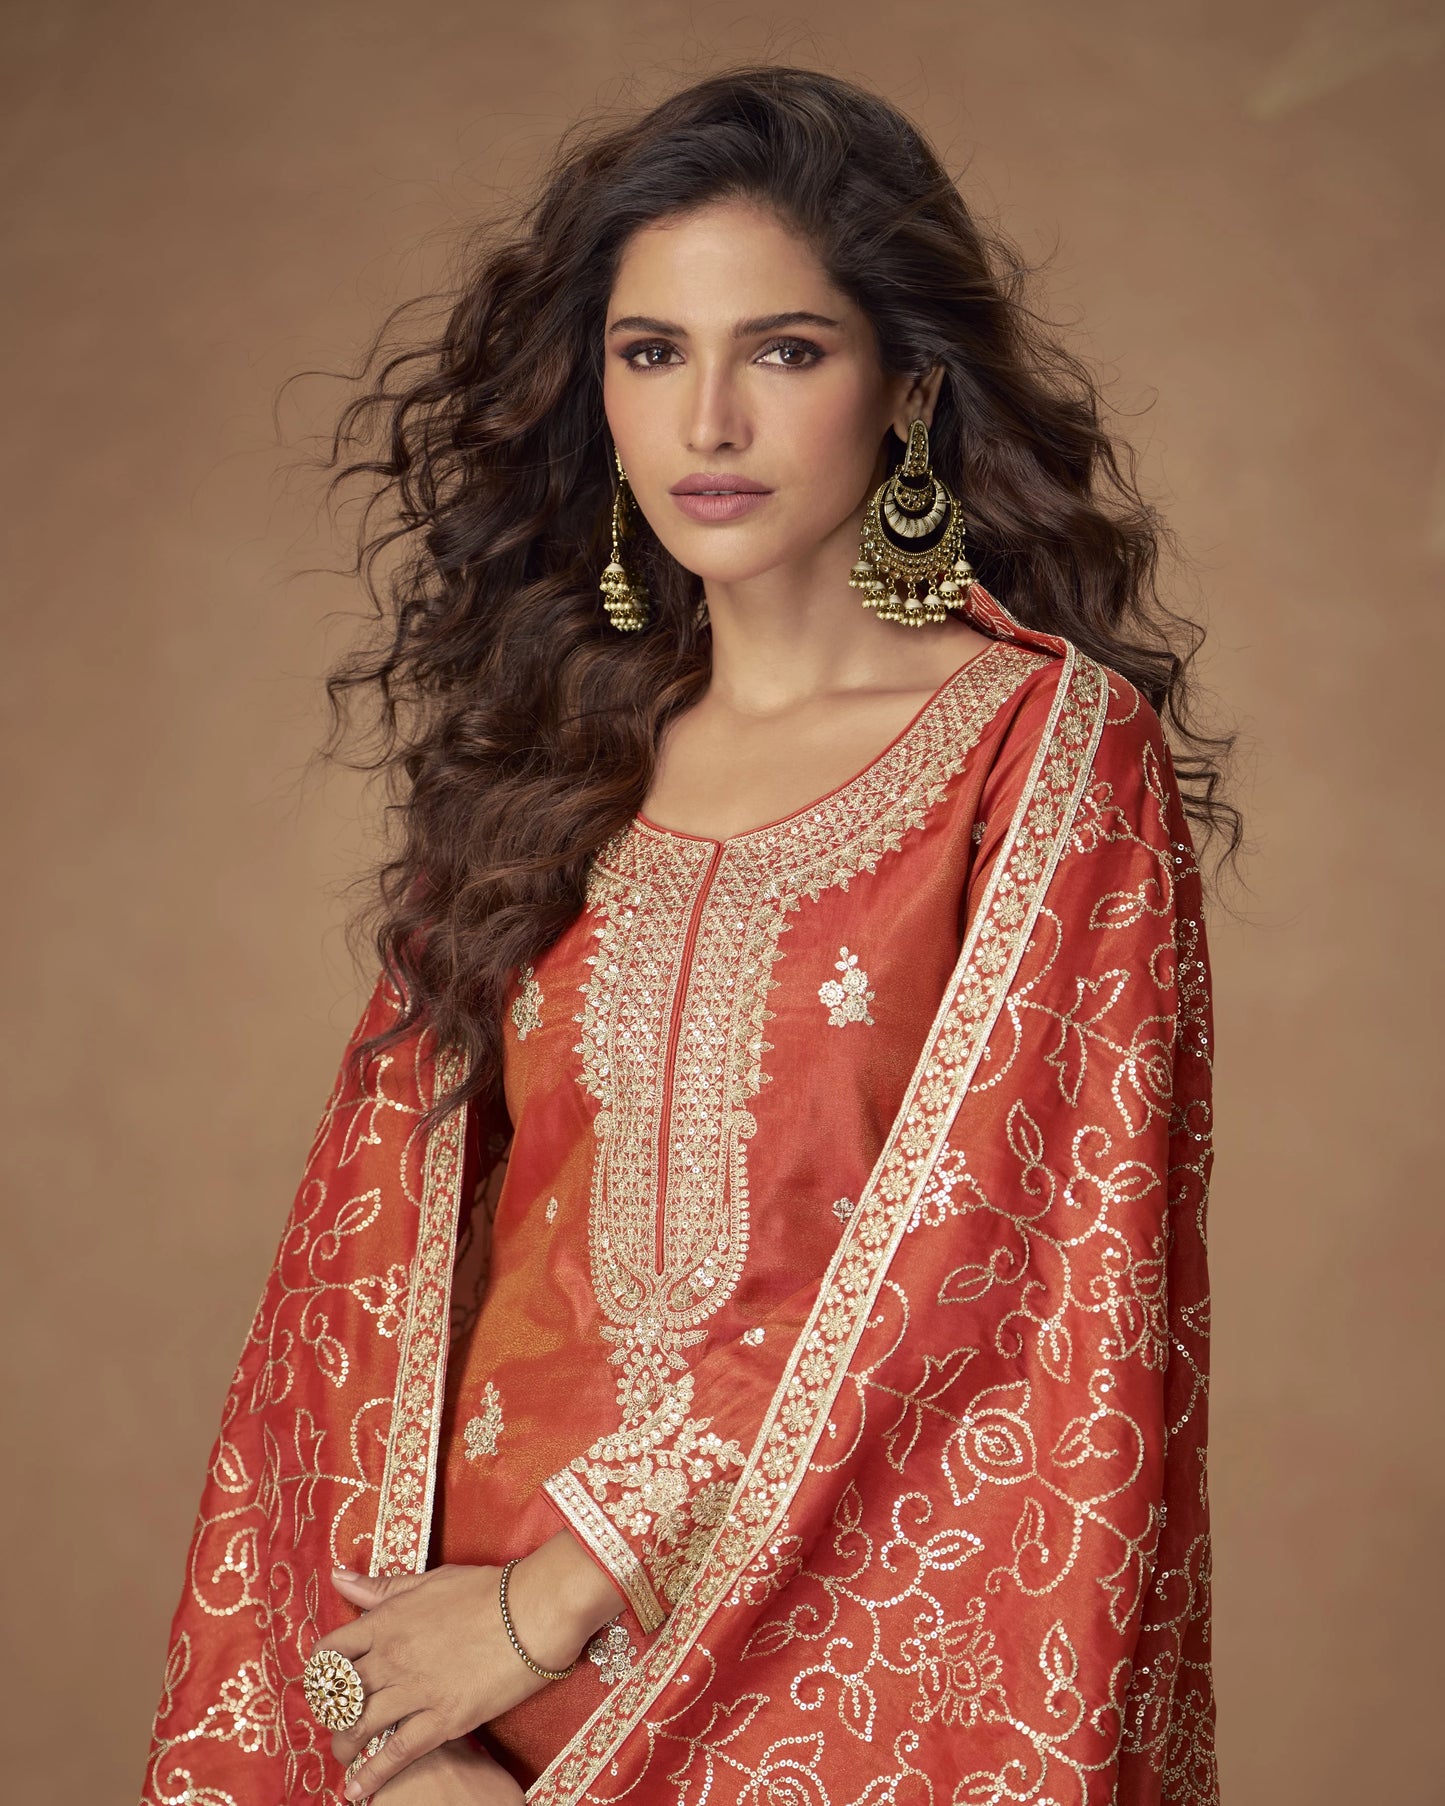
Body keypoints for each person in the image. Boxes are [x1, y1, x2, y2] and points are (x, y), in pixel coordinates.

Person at [141, 65, 1231, 1806]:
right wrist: (389, 1719)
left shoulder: (1040, 752)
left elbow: (995, 1268)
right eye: (652, 354)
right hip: (458, 1699)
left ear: (907, 392)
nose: (707, 419)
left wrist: (554, 1599)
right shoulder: (545, 764)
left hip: (836, 1673)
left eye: (783, 350)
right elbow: (364, 1295)